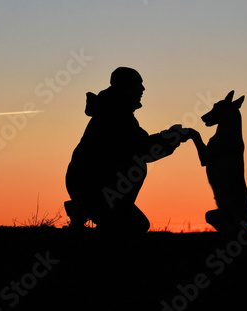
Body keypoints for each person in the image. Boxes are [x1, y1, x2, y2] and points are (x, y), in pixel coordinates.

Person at [65, 67, 189, 234]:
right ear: (126, 86)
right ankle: (91, 210)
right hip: (93, 185)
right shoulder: (115, 114)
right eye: (139, 84)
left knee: (136, 223)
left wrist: (169, 136)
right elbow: (143, 149)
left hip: (86, 183)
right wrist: (172, 137)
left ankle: (85, 209)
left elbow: (139, 142)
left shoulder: (114, 110)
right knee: (135, 225)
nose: (143, 89)